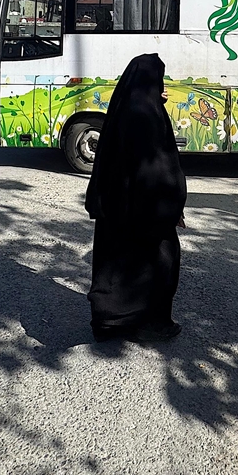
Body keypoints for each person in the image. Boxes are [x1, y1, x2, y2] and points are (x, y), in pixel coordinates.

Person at [85, 53, 187, 342]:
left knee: (114, 266)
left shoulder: (127, 106)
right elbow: (156, 168)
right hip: (145, 209)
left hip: (117, 208)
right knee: (160, 263)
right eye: (159, 80)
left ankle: (109, 321)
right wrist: (172, 207)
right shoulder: (146, 114)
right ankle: (152, 324)